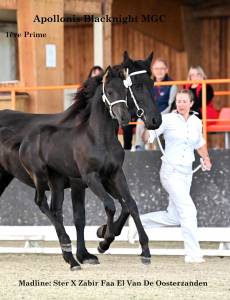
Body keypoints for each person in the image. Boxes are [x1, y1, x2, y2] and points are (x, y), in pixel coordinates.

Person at [128, 89, 212, 263]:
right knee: (189, 210)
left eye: (184, 101)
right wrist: (146, 126)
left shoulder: (196, 121)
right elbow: (148, 138)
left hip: (187, 173)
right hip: (170, 172)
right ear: (175, 103)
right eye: (178, 101)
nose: (181, 104)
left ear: (191, 103)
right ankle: (193, 254)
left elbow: (200, 143)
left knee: (174, 216)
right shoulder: (166, 119)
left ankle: (138, 222)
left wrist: (206, 158)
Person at [135, 58, 177, 150]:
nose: (159, 71)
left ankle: (159, 151)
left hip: (164, 115)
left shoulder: (172, 85)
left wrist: (158, 116)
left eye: (162, 68)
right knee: (140, 121)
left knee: (157, 125)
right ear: (152, 70)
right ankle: (139, 148)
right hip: (149, 115)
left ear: (166, 70)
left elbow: (170, 106)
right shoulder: (148, 84)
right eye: (156, 69)